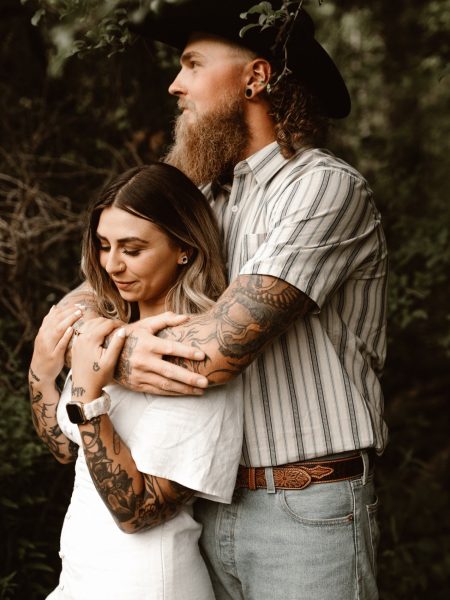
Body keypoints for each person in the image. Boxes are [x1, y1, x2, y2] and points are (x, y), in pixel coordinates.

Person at [60, 1, 389, 598]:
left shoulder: (322, 187)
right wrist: (88, 334)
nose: (174, 83)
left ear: (255, 77)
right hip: (201, 507)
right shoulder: (200, 196)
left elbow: (214, 352)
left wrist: (107, 352)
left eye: (191, 63)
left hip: (305, 508)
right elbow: (78, 305)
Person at [29, 162, 244, 600]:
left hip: (144, 584)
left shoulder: (190, 360)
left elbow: (138, 511)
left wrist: (89, 397)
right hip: (81, 576)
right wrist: (41, 369)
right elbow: (63, 448)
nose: (111, 264)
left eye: (132, 249)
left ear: (184, 247)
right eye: (105, 246)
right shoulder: (108, 334)